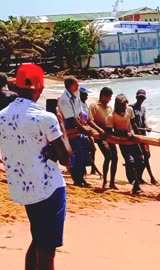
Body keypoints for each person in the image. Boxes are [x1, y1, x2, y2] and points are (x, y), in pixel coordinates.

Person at [0, 64, 72, 270]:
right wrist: (61, 125)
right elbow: (66, 157)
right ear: (39, 88)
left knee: (37, 238)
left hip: (23, 188)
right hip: (48, 188)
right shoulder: (45, 117)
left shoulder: (2, 115)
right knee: (47, 247)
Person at [57, 76, 92, 187]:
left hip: (78, 128)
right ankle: (77, 180)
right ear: (70, 86)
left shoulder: (76, 97)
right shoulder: (64, 99)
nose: (78, 86)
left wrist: (85, 126)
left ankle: (82, 178)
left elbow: (80, 114)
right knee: (75, 156)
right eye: (76, 84)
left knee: (83, 153)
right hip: (69, 130)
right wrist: (83, 129)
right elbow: (71, 118)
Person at [106, 94, 143, 194]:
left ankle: (136, 184)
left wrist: (139, 137)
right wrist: (124, 134)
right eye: (123, 106)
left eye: (125, 105)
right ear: (117, 106)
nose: (125, 108)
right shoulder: (111, 116)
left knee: (141, 161)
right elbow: (109, 132)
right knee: (130, 161)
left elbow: (133, 123)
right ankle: (132, 180)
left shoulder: (130, 110)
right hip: (122, 141)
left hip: (132, 138)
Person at [88, 87, 119, 189]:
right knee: (108, 155)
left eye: (110, 97)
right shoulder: (94, 106)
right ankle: (105, 180)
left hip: (109, 135)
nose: (110, 99)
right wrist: (100, 130)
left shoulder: (110, 108)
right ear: (103, 96)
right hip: (99, 136)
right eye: (108, 97)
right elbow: (90, 121)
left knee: (115, 158)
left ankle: (112, 182)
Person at [130, 89, 158, 185]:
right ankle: (149, 177)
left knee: (147, 155)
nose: (141, 99)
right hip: (136, 135)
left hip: (143, 134)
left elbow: (144, 119)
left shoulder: (143, 108)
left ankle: (140, 176)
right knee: (142, 156)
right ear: (136, 97)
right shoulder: (131, 107)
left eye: (143, 97)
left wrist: (147, 127)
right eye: (139, 97)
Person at [79, 86, 101, 177]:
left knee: (93, 149)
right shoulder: (78, 104)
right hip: (81, 129)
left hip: (87, 128)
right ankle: (84, 169)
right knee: (84, 149)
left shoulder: (85, 104)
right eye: (85, 94)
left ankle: (92, 168)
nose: (87, 96)